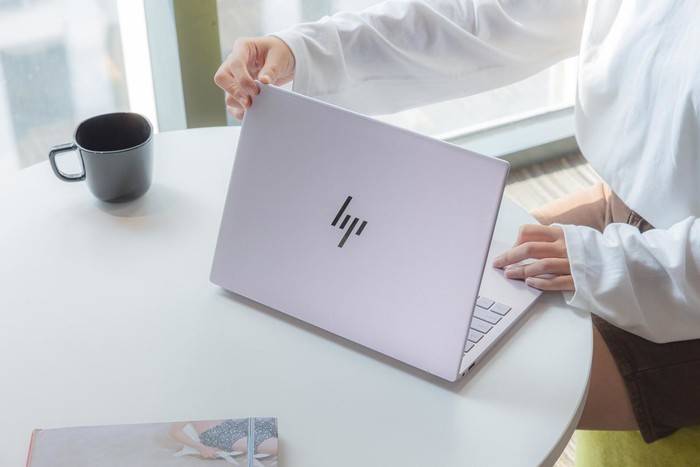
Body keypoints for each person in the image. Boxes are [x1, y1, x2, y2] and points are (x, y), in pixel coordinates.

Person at [214, 1, 700, 443]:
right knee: (379, 306)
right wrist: (304, 51)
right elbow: (490, 18)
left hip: (683, 286)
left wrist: (601, 265)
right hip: (630, 207)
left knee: (412, 379)